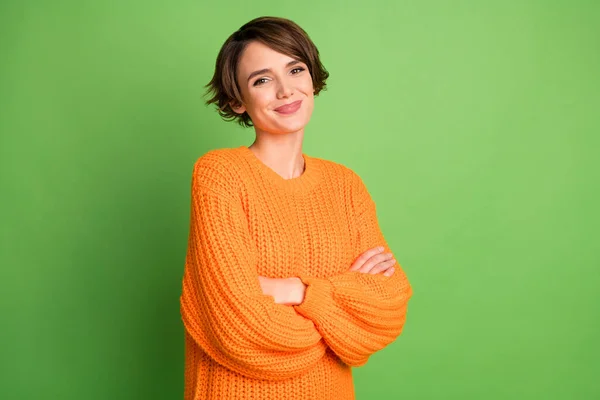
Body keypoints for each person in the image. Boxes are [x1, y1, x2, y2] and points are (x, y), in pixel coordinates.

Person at [179, 16, 413, 400]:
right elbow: (237, 327)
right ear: (238, 100)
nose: (286, 90)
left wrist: (298, 291)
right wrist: (339, 317)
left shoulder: (345, 185)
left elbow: (386, 310)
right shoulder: (220, 175)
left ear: (311, 78)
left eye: (295, 69)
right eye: (262, 80)